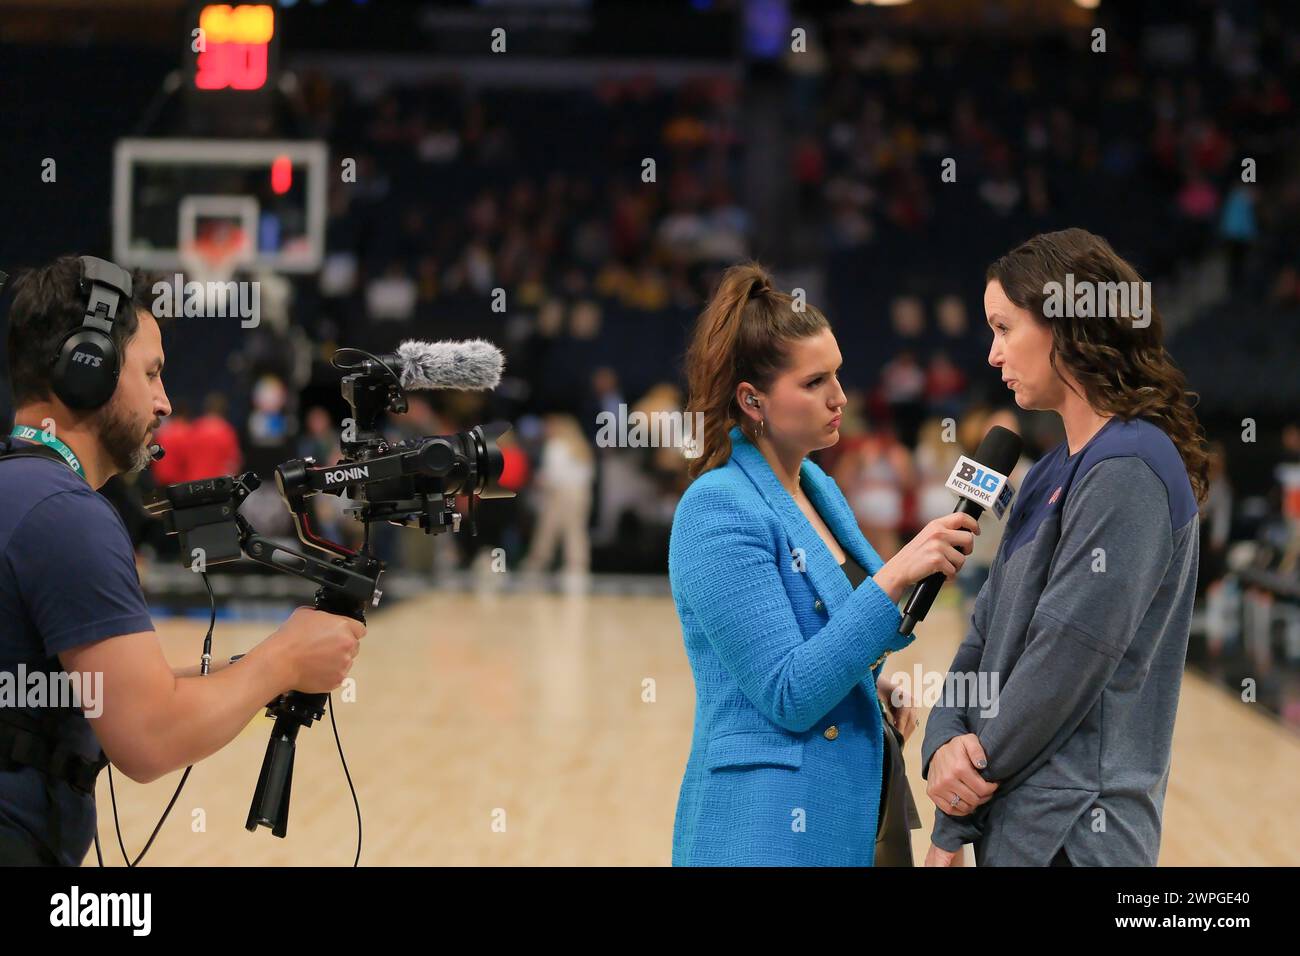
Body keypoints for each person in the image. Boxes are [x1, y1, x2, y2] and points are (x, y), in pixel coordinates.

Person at [0, 256, 365, 866]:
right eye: (152, 374)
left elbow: (115, 694)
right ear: (88, 370)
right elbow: (147, 736)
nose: (166, 402)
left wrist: (247, 669)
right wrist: (284, 660)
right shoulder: (67, 515)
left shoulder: (23, 493)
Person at [668, 262, 980, 866]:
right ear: (752, 400)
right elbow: (787, 691)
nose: (840, 397)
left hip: (849, 808)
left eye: (837, 374)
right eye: (814, 383)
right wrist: (894, 575)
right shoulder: (716, 509)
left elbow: (824, 644)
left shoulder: (818, 486)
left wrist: (865, 684)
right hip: (765, 828)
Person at [920, 229, 1207, 866]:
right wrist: (942, 739)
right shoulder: (1049, 472)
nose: (992, 354)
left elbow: (1064, 658)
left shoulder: (1131, 465)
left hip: (1079, 835)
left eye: (1003, 327)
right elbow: (983, 637)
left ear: (1065, 327)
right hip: (1017, 825)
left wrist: (954, 806)